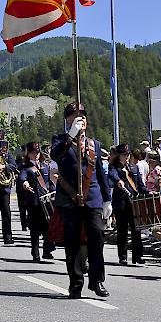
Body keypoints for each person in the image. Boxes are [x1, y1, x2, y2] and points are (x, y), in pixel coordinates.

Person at [51, 102, 112, 298]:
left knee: (97, 238)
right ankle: (75, 282)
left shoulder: (95, 144)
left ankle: (97, 280)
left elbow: (101, 174)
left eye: (83, 115)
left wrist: (107, 199)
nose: (80, 119)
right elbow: (56, 155)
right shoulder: (60, 140)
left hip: (92, 197)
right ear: (67, 120)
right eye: (74, 116)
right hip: (70, 198)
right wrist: (70, 135)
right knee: (72, 242)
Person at [108, 143, 148, 265]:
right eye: (123, 155)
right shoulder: (114, 168)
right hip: (121, 203)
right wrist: (118, 180)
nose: (126, 157)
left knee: (137, 230)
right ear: (118, 156)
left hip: (134, 203)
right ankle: (123, 256)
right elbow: (112, 175)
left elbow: (140, 185)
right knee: (122, 230)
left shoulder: (133, 168)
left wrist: (148, 192)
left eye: (127, 154)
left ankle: (138, 256)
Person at [19, 142, 55, 261]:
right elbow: (22, 178)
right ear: (28, 154)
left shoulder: (45, 166)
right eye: (34, 153)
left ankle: (47, 250)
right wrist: (25, 184)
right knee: (34, 229)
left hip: (46, 202)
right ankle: (35, 252)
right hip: (33, 201)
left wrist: (54, 192)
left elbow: (50, 183)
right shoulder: (26, 167)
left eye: (38, 153)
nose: (36, 155)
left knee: (47, 227)